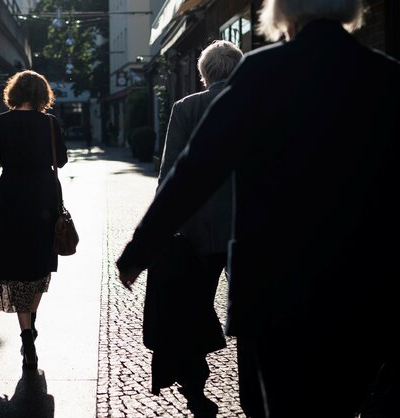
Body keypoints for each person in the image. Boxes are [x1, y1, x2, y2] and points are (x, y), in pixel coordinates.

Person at [116, 1, 400, 417]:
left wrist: (141, 249)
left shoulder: (262, 73)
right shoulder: (394, 78)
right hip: (371, 284)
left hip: (277, 287)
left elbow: (197, 167)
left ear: (284, 12)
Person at [147, 40, 243, 417]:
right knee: (250, 302)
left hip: (196, 228)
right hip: (246, 224)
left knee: (195, 304)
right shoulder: (257, 105)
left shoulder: (186, 108)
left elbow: (171, 171)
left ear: (204, 74)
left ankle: (195, 379)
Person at [0, 70, 68, 369]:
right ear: (42, 94)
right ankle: (31, 325)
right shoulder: (50, 123)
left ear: (14, 92)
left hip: (11, 198)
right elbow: (63, 160)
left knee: (15, 264)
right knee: (39, 263)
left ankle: (26, 333)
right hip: (43, 197)